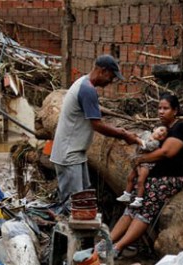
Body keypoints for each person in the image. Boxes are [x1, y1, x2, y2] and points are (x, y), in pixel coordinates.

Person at [99, 93, 183, 258]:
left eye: (166, 108)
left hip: (169, 179)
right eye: (159, 108)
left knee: (145, 210)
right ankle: (106, 243)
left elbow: (167, 152)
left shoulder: (180, 128)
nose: (161, 111)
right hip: (153, 178)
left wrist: (141, 159)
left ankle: (117, 248)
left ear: (175, 110)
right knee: (131, 208)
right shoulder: (163, 130)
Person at [49, 54, 138, 210]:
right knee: (75, 205)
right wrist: (123, 134)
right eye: (112, 76)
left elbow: (92, 115)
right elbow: (97, 125)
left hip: (75, 153)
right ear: (103, 71)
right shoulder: (87, 90)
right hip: (69, 155)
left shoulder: (83, 83)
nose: (111, 81)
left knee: (83, 198)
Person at [116, 125, 169, 208]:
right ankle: (127, 194)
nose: (161, 134)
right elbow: (136, 136)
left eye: (163, 135)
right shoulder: (146, 133)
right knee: (130, 177)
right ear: (155, 129)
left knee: (141, 180)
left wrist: (137, 140)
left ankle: (139, 199)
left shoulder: (156, 143)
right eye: (161, 130)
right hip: (137, 160)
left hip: (146, 164)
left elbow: (147, 146)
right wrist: (129, 135)